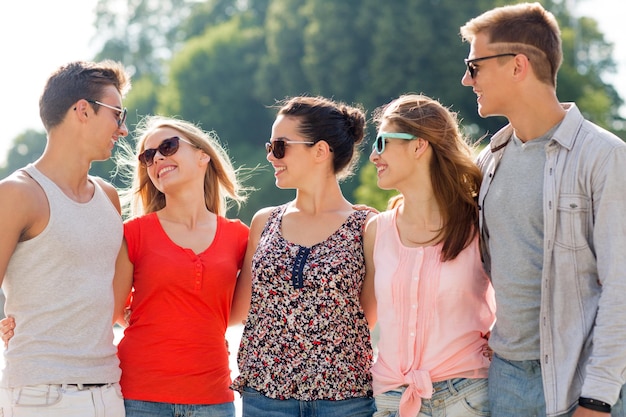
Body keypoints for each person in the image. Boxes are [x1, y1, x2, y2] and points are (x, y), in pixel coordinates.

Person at [460, 3, 626, 416]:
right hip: (506, 381)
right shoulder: (489, 161)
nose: (466, 79)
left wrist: (598, 397)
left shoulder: (604, 157)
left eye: (474, 65)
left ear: (518, 65)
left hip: (580, 382)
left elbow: (622, 287)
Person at [230, 95, 377, 417]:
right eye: (269, 147)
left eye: (281, 146)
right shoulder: (263, 222)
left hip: (345, 399)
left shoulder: (368, 226)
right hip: (265, 396)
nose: (271, 156)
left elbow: (366, 317)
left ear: (321, 151)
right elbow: (238, 310)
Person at [0, 60, 131, 416]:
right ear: (83, 110)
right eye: (117, 115)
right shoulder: (17, 194)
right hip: (39, 396)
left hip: (108, 392)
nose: (123, 129)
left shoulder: (108, 196)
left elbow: (115, 301)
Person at [365, 94, 495, 417]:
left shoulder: (477, 223)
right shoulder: (375, 231)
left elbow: (518, 299)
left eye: (382, 142)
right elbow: (362, 321)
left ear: (418, 145)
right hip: (392, 401)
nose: (373, 156)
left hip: (466, 398)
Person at [112, 115, 250, 417]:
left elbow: (236, 312)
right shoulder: (133, 233)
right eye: (148, 156)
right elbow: (110, 311)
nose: (158, 157)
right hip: (138, 397)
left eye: (168, 146)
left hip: (214, 397)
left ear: (203, 156)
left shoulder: (240, 236)